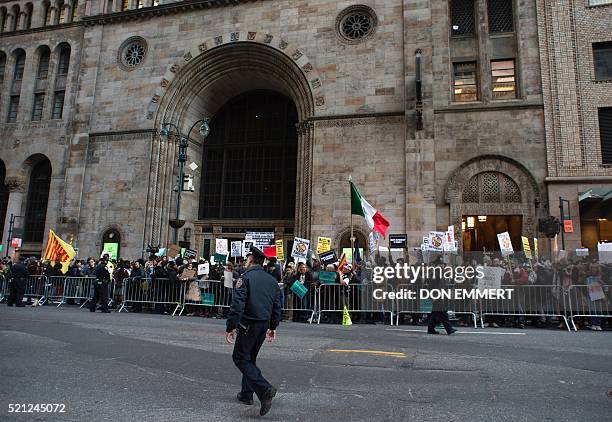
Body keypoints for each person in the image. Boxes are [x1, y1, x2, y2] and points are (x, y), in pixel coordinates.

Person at [225, 245, 281, 417]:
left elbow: (238, 304)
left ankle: (264, 389)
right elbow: (277, 306)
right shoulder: (272, 280)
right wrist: (273, 326)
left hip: (249, 323)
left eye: (247, 258)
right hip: (263, 324)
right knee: (250, 358)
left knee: (240, 358)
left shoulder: (246, 277)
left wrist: (231, 326)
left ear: (250, 260)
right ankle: (247, 393)